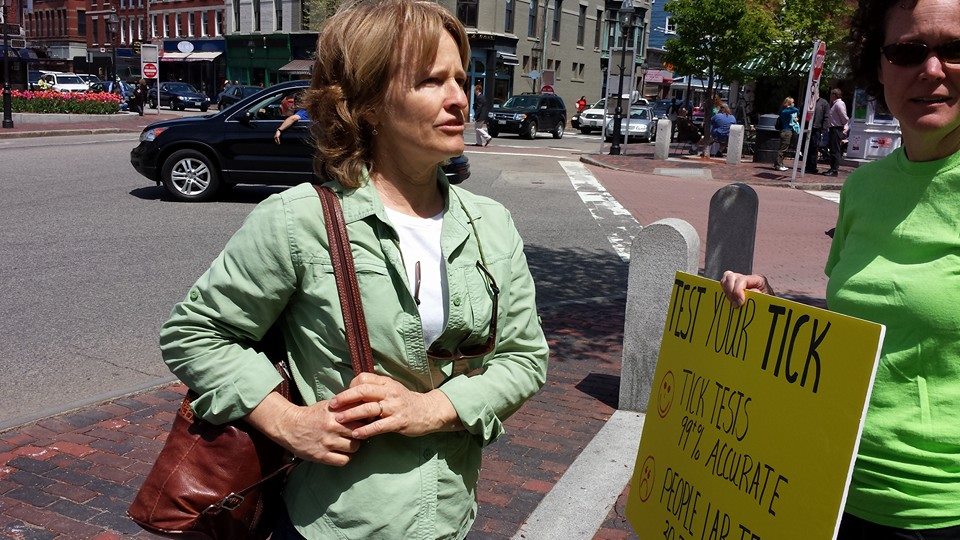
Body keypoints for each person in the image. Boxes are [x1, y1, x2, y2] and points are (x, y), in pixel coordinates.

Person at [159, 0, 549, 538]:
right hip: (334, 521)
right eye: (431, 81)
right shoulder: (301, 220)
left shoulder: (491, 224)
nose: (459, 98)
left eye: (460, 79)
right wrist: (286, 422)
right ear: (366, 103)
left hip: (449, 518)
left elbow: (523, 358)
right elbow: (196, 334)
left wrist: (436, 408)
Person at [721, 0, 960, 536]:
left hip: (938, 512)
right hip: (830, 486)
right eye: (908, 51)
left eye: (954, 50)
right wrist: (773, 305)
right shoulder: (863, 188)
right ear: (880, 68)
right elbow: (859, 322)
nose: (931, 70)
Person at [823, 88, 849, 176]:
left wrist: (842, 125)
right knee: (833, 149)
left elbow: (844, 117)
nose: (830, 96)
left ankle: (834, 170)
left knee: (835, 149)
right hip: (833, 128)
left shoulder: (839, 104)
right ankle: (832, 168)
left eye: (831, 94)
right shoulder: (834, 104)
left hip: (837, 128)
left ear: (834, 95)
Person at [805, 91, 830, 174]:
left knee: (814, 147)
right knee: (806, 147)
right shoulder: (809, 101)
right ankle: (807, 165)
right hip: (808, 127)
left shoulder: (824, 103)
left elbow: (826, 116)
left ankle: (812, 166)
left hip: (817, 128)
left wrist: (824, 128)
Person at [773, 96, 800, 171]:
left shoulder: (786, 111)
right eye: (792, 102)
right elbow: (796, 110)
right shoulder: (785, 111)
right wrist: (791, 107)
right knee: (783, 148)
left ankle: (780, 163)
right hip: (786, 131)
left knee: (785, 148)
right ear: (789, 103)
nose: (794, 104)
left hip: (788, 131)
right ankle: (778, 165)